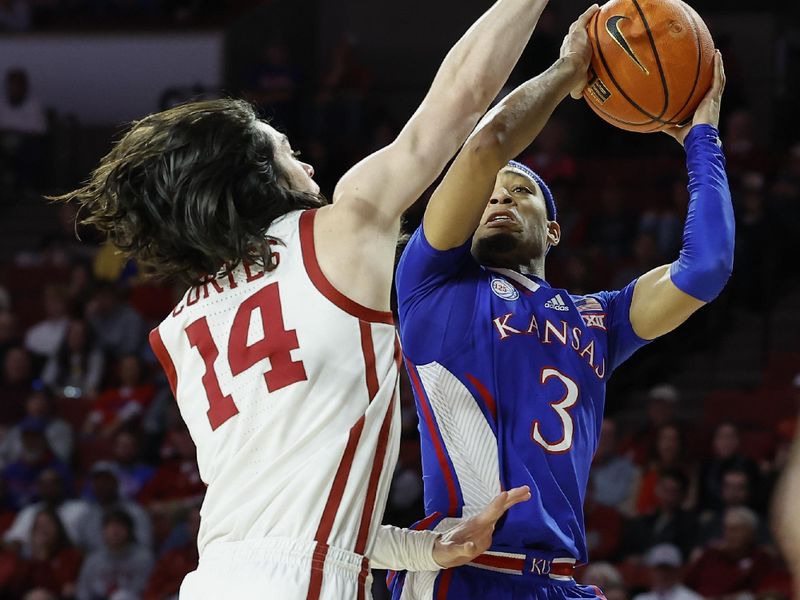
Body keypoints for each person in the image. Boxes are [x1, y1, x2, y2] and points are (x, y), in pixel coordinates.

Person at [52, 1, 554, 597]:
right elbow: (462, 96)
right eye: (286, 149)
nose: (306, 159)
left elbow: (276, 512)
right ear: (255, 175)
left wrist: (424, 547)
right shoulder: (339, 230)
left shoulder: (180, 328)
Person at [393, 13, 733, 598]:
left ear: (553, 231)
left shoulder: (599, 320)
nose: (499, 198)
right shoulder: (430, 283)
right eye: (490, 195)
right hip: (464, 573)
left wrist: (701, 139)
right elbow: (486, 148)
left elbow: (706, 269)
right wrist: (569, 69)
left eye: (519, 191)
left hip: (562, 581)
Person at [633, 544, 701, 600]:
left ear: (678, 571)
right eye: (659, 569)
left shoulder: (692, 598)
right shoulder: (641, 598)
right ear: (651, 571)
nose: (663, 575)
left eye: (667, 569)